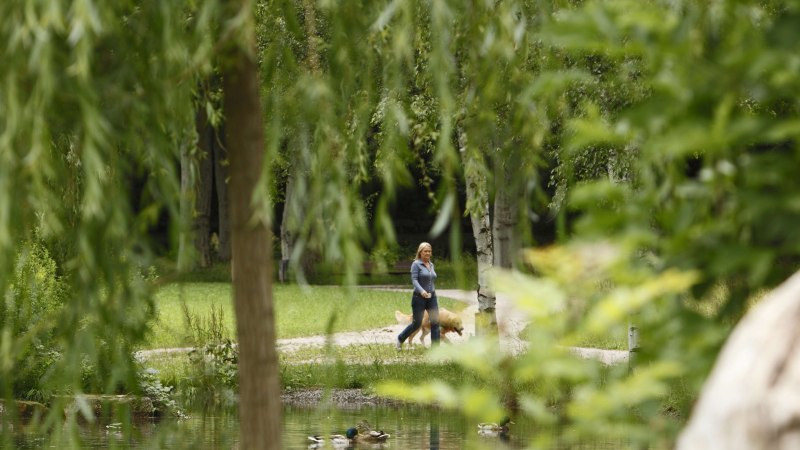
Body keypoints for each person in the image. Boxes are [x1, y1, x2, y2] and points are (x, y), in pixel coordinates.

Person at [397, 242, 440, 350]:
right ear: (420, 252)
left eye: (429, 251)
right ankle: (400, 338)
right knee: (417, 324)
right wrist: (422, 291)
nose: (428, 253)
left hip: (432, 298)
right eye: (425, 251)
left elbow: (431, 279)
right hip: (419, 298)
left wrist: (432, 291)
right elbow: (414, 280)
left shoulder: (431, 264)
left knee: (435, 322)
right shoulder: (416, 264)